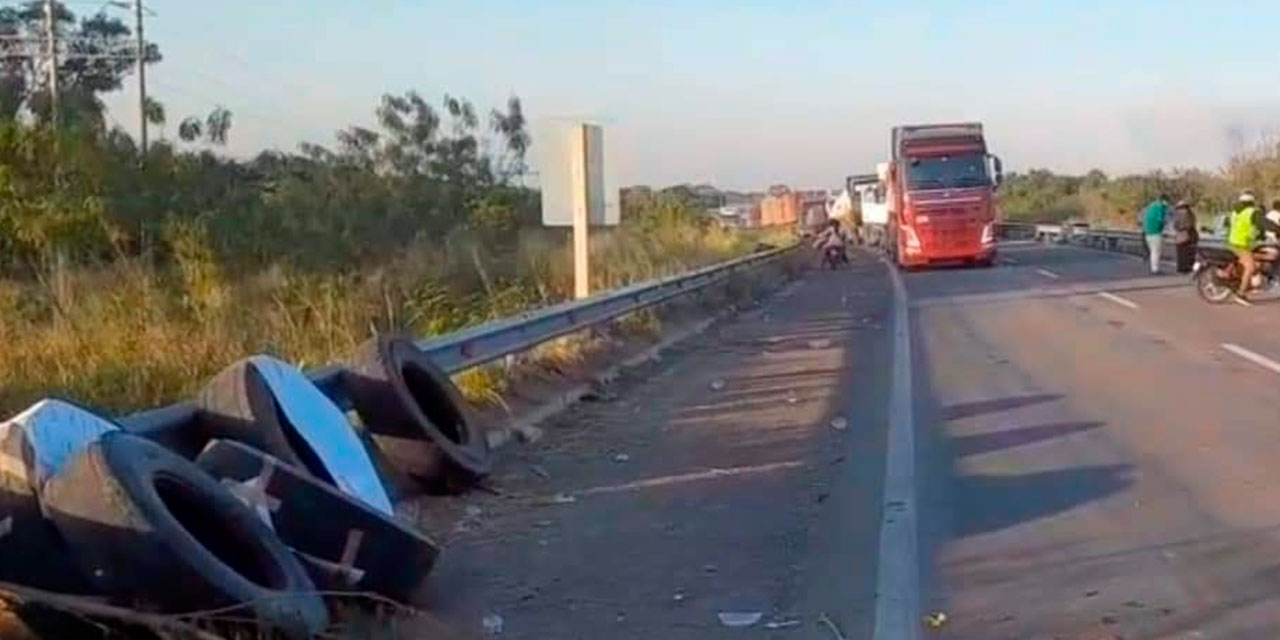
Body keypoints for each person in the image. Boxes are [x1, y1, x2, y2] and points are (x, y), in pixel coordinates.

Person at [1227, 192, 1260, 298]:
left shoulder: (1235, 212)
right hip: (1242, 244)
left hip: (1232, 242)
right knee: (1251, 267)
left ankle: (1242, 285)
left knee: (1243, 265)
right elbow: (1265, 223)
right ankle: (1241, 293)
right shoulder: (1251, 212)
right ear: (1251, 202)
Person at [1140, 193, 1169, 274]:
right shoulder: (1161, 208)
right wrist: (1162, 226)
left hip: (1147, 232)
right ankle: (1155, 269)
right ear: (1164, 201)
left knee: (1153, 251)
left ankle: (1153, 267)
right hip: (1156, 232)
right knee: (1156, 251)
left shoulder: (1151, 207)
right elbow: (1160, 220)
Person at [1171, 200, 1198, 274]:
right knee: (1189, 253)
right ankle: (1188, 267)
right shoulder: (1191, 214)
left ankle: (1181, 268)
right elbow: (1192, 224)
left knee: (1181, 253)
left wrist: (1180, 228)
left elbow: (1175, 225)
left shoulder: (1178, 215)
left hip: (1181, 237)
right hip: (1191, 236)